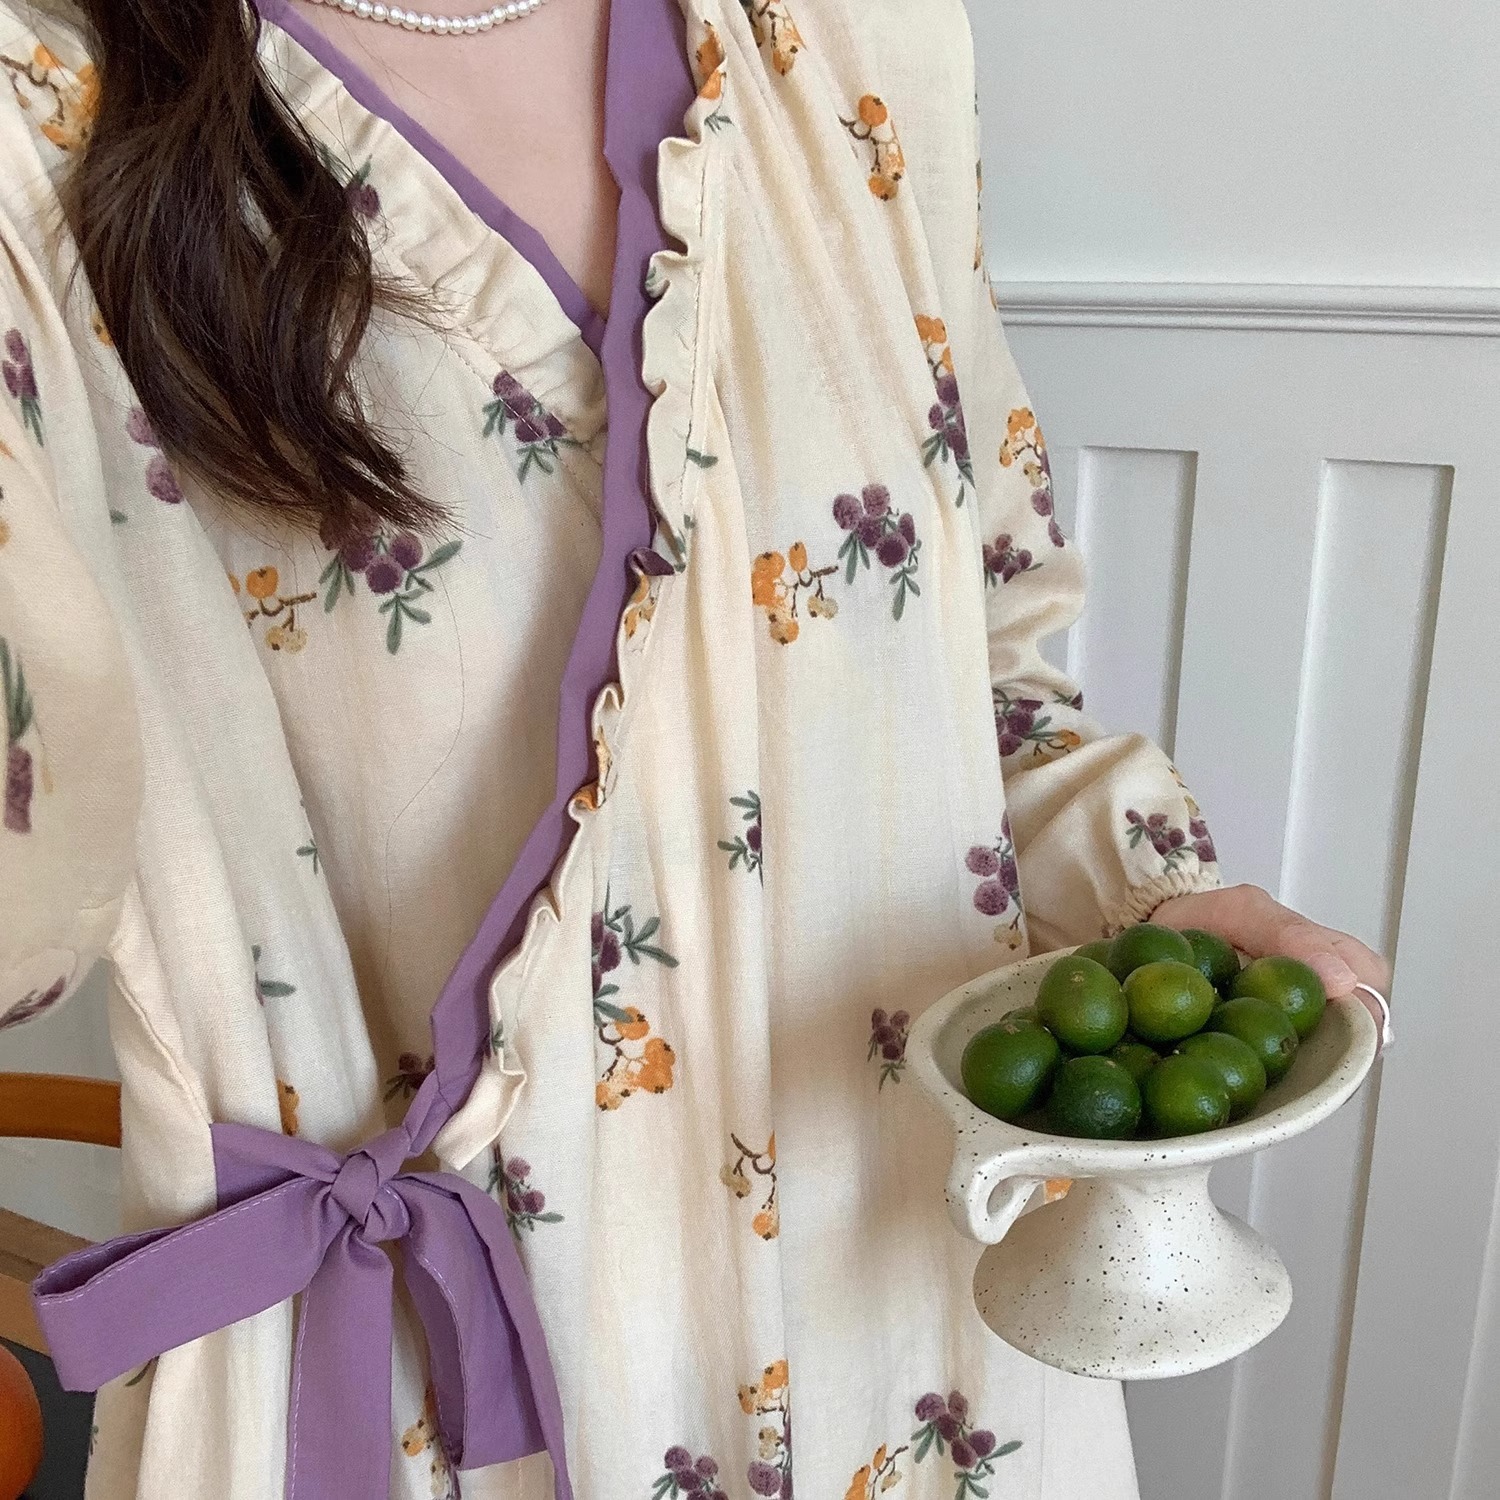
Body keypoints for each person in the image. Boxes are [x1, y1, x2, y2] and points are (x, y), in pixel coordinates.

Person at [0, 0, 1389, 1495]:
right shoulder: (44, 121)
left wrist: (1150, 892)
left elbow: (975, 650)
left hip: (911, 1309)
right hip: (450, 1377)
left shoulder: (853, 46)